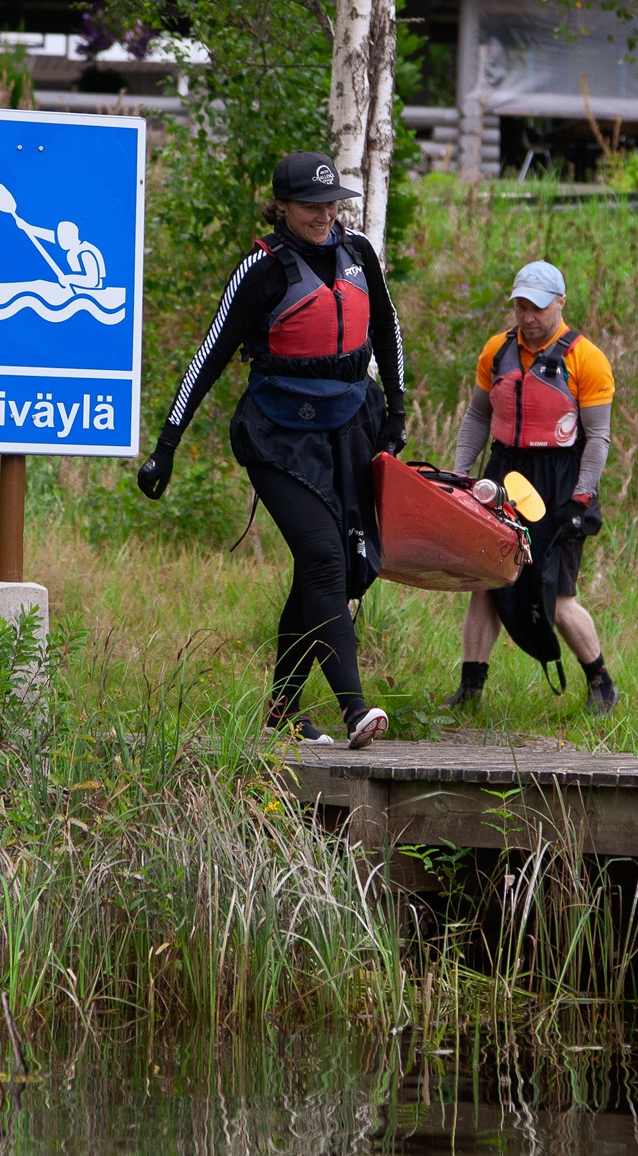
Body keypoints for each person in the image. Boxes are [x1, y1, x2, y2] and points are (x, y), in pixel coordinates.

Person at [136, 151, 407, 749]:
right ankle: (355, 709)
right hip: (278, 433)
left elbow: (387, 332)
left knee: (337, 569)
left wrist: (397, 411)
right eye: (311, 205)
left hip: (350, 428)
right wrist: (166, 446)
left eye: (332, 203)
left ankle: (281, 711)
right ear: (282, 206)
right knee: (323, 558)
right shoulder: (261, 269)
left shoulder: (359, 253)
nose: (324, 214)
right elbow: (207, 357)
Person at [443, 260, 618, 715]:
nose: (527, 316)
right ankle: (470, 690)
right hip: (503, 474)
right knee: (487, 582)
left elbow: (597, 436)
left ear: (560, 302)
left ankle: (600, 681)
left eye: (537, 307)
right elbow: (478, 416)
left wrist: (582, 495)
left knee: (555, 593)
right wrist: (462, 475)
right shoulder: (496, 352)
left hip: (559, 480)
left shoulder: (587, 359)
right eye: (520, 306)